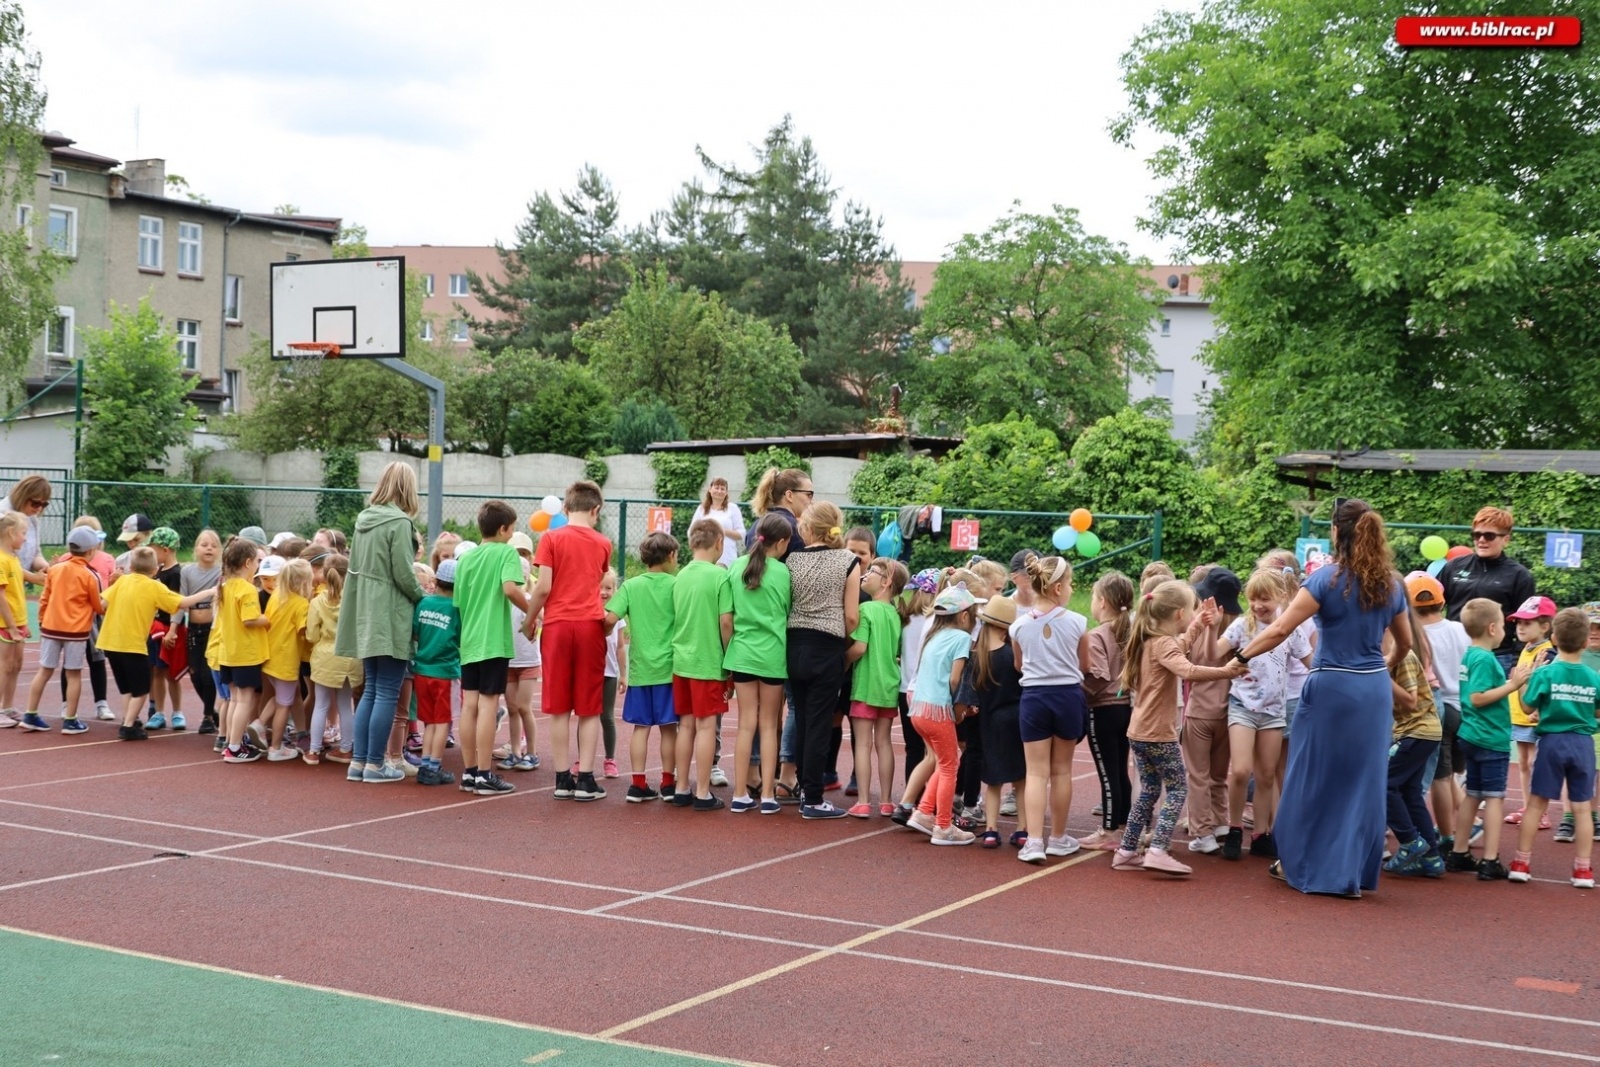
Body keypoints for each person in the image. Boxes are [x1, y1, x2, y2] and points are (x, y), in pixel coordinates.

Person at [1235, 498, 1412, 898]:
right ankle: (1352, 871)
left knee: (1310, 777)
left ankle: (1299, 863)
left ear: (1336, 532)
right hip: (1373, 691)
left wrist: (1240, 657)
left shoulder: (1325, 580)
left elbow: (1280, 629)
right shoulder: (1391, 584)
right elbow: (1404, 644)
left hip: (1330, 686)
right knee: (1363, 781)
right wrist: (1382, 665)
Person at [1114, 580, 1245, 876]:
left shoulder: (1152, 640)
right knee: (1177, 789)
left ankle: (1126, 851)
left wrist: (1199, 623)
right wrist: (1226, 671)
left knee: (1149, 791)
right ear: (1178, 614)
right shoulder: (1163, 644)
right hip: (1158, 735)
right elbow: (1188, 669)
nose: (1193, 614)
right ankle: (1158, 850)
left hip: (1139, 731)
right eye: (1191, 611)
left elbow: (1182, 646)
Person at [334, 462, 428, 784]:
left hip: (366, 611)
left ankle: (359, 762)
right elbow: (403, 572)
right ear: (407, 488)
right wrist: (423, 598)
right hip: (390, 613)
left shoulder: (364, 519)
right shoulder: (399, 522)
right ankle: (375, 764)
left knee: (372, 689)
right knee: (387, 690)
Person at [528, 481, 613, 802]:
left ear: (564, 508)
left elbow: (543, 587)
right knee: (589, 708)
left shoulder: (550, 538)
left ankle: (562, 778)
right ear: (596, 510)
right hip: (590, 625)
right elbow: (597, 578)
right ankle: (587, 778)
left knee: (559, 707)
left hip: (558, 626)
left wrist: (529, 620)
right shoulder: (603, 542)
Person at [1217, 568, 1309, 860]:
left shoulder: (1290, 628)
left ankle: (1260, 833)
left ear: (1280, 597)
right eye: (1253, 599)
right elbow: (1213, 653)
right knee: (1241, 770)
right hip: (1242, 706)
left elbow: (1311, 662)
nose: (1257, 606)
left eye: (1265, 599)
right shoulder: (1242, 626)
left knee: (1267, 775)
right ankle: (1234, 828)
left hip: (1273, 711)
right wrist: (1206, 627)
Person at [1508, 607, 1597, 888]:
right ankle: (1583, 870)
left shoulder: (1545, 673)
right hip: (1582, 744)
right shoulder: (1593, 677)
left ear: (1554, 638)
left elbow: (1527, 707)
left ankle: (1521, 863)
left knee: (1536, 804)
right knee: (1582, 809)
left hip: (1551, 742)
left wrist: (1522, 683)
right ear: (1586, 641)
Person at [783, 501, 860, 820]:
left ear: (806, 528)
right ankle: (813, 798)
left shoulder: (792, 560)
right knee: (819, 724)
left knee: (801, 719)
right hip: (826, 646)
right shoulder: (848, 560)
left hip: (793, 644)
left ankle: (804, 787)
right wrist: (845, 647)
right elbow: (851, 617)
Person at [1012, 554, 1089, 863]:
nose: (1071, 588)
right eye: (1069, 583)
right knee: (1062, 770)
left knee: (1035, 772)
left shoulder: (1018, 626)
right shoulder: (1078, 622)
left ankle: (1033, 841)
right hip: (1067, 696)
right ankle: (1057, 837)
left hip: (1033, 698)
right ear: (1057, 588)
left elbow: (1019, 665)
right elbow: (1084, 665)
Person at [1446, 597, 1530, 880]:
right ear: (1492, 628)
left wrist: (1509, 682)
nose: (1506, 631)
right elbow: (1478, 697)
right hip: (1489, 736)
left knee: (1473, 793)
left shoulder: (1471, 655)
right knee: (1494, 798)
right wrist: (1513, 685)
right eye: (1504, 626)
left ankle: (1459, 851)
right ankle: (1490, 859)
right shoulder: (1484, 658)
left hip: (1472, 733)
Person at [454, 501, 530, 797]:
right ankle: (485, 774)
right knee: (488, 705)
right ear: (503, 529)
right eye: (512, 529)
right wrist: (533, 613)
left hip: (470, 639)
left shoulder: (466, 558)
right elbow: (511, 589)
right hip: (493, 640)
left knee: (469, 705)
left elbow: (459, 603)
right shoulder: (506, 553)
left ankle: (470, 772)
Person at [100, 546, 215, 741]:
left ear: (131, 567)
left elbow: (103, 605)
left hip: (109, 641)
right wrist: (209, 592)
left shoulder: (122, 581)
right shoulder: (154, 586)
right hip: (132, 645)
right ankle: (128, 726)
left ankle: (128, 719)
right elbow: (183, 602)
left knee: (127, 687)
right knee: (142, 689)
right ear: (155, 570)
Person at [722, 514, 791, 814]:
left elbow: (726, 620)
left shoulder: (736, 566)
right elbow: (787, 612)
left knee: (745, 725)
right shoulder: (784, 572)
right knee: (769, 725)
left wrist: (729, 655)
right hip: (773, 656)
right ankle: (768, 795)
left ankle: (739, 794)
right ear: (782, 542)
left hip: (742, 654)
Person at [605, 531, 679, 804]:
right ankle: (668, 784)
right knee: (669, 728)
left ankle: (637, 784)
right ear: (670, 556)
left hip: (640, 669)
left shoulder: (631, 586)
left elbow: (609, 618)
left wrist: (605, 631)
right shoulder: (676, 585)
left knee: (641, 727)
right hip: (669, 668)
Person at [905, 585, 979, 845]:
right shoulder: (961, 639)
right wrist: (962, 707)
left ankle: (924, 812)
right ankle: (944, 826)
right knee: (950, 766)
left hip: (919, 710)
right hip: (938, 711)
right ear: (964, 616)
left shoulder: (933, 636)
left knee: (945, 761)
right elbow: (956, 678)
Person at [669, 519, 733, 810]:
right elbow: (726, 622)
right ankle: (703, 792)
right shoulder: (720, 576)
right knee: (707, 726)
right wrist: (729, 659)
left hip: (682, 660)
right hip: (708, 661)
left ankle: (682, 787)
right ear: (719, 542)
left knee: (685, 725)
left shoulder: (680, 575)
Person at [19, 526, 105, 733]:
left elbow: (45, 598)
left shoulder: (55, 569)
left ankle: (30, 714)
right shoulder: (91, 575)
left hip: (51, 628)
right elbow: (98, 606)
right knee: (73, 674)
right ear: (91, 550)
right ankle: (70, 720)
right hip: (76, 632)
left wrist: (43, 620)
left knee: (44, 670)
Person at [1180, 566, 1240, 856]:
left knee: (1198, 775)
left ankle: (1202, 831)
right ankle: (1221, 822)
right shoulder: (1240, 628)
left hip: (1200, 711)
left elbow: (1193, 660)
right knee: (1218, 774)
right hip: (1228, 712)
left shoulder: (1202, 627)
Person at [958, 594, 1026, 848]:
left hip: (988, 722)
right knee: (1021, 780)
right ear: (1007, 628)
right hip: (1015, 720)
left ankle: (990, 830)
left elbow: (968, 697)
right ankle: (1022, 830)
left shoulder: (976, 656)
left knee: (993, 781)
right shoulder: (1012, 656)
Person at [1410, 573, 1471, 852]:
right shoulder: (1460, 629)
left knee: (1439, 778)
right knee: (1454, 774)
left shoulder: (1414, 634)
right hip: (1464, 707)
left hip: (1438, 707)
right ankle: (1469, 825)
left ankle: (1447, 836)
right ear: (1442, 602)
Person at [844, 557, 906, 818]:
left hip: (866, 685)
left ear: (886, 582)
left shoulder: (866, 609)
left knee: (863, 744)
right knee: (884, 742)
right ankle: (887, 801)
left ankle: (863, 801)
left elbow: (859, 648)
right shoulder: (896, 614)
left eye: (873, 571)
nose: (865, 574)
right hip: (889, 686)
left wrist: (842, 662)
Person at [1438, 507, 1535, 671]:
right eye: (1477, 535)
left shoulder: (1519, 575)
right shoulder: (1454, 567)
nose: (1481, 540)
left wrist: (1517, 661)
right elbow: (1431, 608)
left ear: (1506, 539)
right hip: (1454, 653)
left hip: (1497, 657)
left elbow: (1527, 622)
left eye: (1489, 536)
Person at [1381, 627, 1444, 877]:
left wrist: (1381, 675)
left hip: (1417, 732)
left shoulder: (1404, 657)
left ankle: (1409, 841)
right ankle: (1432, 858)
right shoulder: (1390, 658)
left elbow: (1410, 699)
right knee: (1410, 793)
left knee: (1385, 785)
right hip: (1419, 732)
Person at [1082, 571, 1135, 850]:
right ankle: (1124, 825)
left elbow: (1099, 675)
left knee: (1107, 773)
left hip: (1103, 710)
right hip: (1127, 709)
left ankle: (1109, 831)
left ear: (1102, 601)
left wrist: (1077, 690)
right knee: (1120, 770)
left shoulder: (1097, 635)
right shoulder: (1131, 631)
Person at [889, 569, 939, 823]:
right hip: (928, 692)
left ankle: (912, 798)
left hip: (904, 690)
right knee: (936, 752)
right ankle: (930, 803)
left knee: (913, 749)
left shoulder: (906, 619)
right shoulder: (937, 621)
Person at [1504, 596, 1557, 829]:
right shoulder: (1526, 648)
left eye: (1527, 623)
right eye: (1519, 623)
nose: (1521, 627)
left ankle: (1540, 812)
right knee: (1524, 763)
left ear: (1544, 626)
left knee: (1536, 764)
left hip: (1535, 718)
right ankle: (1528, 807)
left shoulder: (1547, 654)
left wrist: (1539, 709)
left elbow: (1549, 686)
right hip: (1520, 716)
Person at [216, 536, 271, 763]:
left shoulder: (225, 585)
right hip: (244, 653)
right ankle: (235, 747)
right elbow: (249, 619)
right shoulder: (247, 589)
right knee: (244, 701)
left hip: (229, 652)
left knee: (235, 700)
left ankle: (231, 742)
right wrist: (267, 619)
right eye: (257, 561)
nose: (257, 566)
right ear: (248, 562)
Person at [412, 558, 462, 787]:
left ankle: (425, 766)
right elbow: (460, 638)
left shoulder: (423, 603)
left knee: (429, 721)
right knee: (443, 721)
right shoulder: (456, 608)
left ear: (436, 580)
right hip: (445, 671)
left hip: (422, 669)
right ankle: (434, 766)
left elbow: (415, 632)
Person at [305, 555, 358, 765]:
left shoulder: (317, 601)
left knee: (321, 704)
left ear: (325, 576)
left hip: (325, 657)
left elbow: (311, 635)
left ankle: (313, 751)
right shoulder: (355, 599)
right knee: (345, 705)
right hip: (349, 656)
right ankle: (346, 749)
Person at [261, 558, 313, 761]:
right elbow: (304, 631)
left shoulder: (276, 595)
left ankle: (261, 725)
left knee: (288, 695)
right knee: (284, 703)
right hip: (286, 659)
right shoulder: (300, 603)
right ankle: (275, 747)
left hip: (271, 654)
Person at [181, 530, 223, 735]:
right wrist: (174, 627)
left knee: (208, 673)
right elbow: (180, 601)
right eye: (204, 545)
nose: (209, 549)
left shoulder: (222, 572)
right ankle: (212, 711)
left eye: (214, 546)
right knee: (195, 674)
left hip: (213, 629)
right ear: (196, 549)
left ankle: (207, 717)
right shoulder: (187, 572)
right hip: (193, 629)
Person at [0, 512, 31, 720]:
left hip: (19, 621)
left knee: (16, 665)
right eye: (23, 533)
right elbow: (1, 595)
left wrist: (38, 577)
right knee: (5, 665)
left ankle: (8, 706)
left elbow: (20, 575)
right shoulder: (1, 560)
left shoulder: (13, 557)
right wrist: (11, 625)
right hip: (6, 623)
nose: (25, 538)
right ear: (11, 533)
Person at [743, 468, 812, 555]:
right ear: (789, 495)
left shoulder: (756, 525)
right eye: (809, 494)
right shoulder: (797, 529)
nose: (812, 500)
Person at [1, 475, 52, 585]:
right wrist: (32, 577)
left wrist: (48, 568)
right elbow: (4, 561)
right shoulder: (3, 518)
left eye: (44, 504)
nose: (39, 508)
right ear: (22, 496)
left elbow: (35, 554)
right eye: (36, 503)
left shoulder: (31, 518)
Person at [693, 477, 746, 568]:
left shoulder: (733, 508)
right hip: (706, 556)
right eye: (716, 488)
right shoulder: (702, 508)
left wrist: (721, 530)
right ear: (710, 489)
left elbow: (741, 534)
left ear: (726, 492)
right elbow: (692, 531)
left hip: (727, 556)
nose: (719, 491)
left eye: (722, 489)